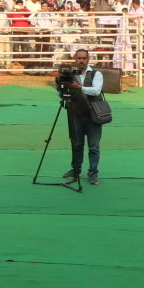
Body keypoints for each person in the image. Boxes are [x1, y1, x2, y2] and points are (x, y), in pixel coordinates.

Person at [59, 47, 106, 185]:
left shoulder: (96, 74)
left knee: (93, 146)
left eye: (84, 58)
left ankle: (93, 173)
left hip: (93, 115)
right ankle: (76, 169)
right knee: (76, 144)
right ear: (75, 59)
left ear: (88, 59)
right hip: (76, 114)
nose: (81, 61)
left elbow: (96, 91)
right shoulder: (70, 74)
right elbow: (60, 92)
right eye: (79, 58)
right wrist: (61, 89)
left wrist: (79, 87)